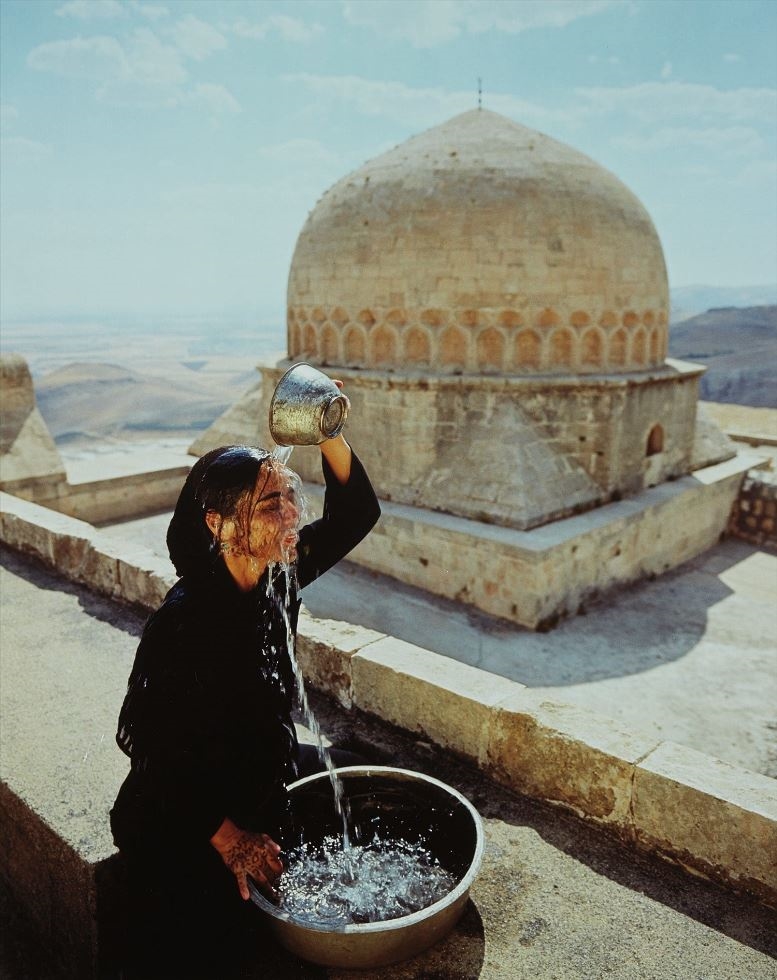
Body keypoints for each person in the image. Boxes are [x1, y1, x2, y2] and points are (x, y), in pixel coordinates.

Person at [110, 408, 380, 978]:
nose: (288, 516)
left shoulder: (276, 572)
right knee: (219, 941)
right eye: (268, 504)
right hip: (185, 808)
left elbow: (357, 510)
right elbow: (153, 752)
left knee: (374, 782)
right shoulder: (185, 624)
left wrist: (326, 429)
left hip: (258, 767)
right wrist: (231, 840)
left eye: (289, 497)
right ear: (218, 523)